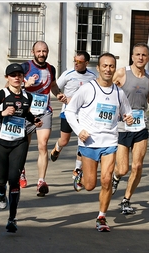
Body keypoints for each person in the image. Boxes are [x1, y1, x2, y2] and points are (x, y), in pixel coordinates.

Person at [65, 53, 134, 232]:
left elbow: (128, 112)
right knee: (89, 186)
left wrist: (128, 118)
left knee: (106, 180)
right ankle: (80, 174)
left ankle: (102, 217)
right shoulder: (88, 89)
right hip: (89, 142)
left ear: (115, 68)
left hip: (110, 142)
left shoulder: (119, 93)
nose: (108, 69)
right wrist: (79, 131)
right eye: (105, 66)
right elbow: (70, 112)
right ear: (99, 68)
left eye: (111, 66)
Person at [0, 63, 43, 232]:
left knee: (14, 180)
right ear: (7, 78)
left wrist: (35, 120)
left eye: (19, 75)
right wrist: (2, 114)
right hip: (0, 143)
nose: (16, 78)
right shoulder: (0, 95)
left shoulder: (28, 97)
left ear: (23, 78)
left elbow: (26, 114)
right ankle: (1, 191)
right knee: (3, 179)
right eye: (12, 75)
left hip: (19, 143)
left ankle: (12, 218)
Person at [111, 43, 149, 214]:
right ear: (132, 56)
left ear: (148, 58)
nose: (140, 57)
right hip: (122, 126)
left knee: (137, 166)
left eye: (144, 55)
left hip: (141, 126)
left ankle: (126, 200)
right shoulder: (122, 73)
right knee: (122, 169)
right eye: (137, 54)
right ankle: (116, 177)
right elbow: (107, 94)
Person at [19, 41, 64, 196]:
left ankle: (41, 181)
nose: (42, 54)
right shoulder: (24, 68)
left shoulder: (51, 68)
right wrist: (26, 85)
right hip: (26, 113)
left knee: (43, 145)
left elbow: (52, 85)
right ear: (33, 52)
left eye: (44, 51)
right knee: (23, 146)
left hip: (44, 112)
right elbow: (9, 86)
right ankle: (21, 171)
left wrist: (58, 94)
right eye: (39, 51)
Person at [50, 51, 97, 179]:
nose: (76, 63)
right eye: (75, 60)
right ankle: (58, 147)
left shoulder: (93, 76)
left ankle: (77, 169)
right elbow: (55, 87)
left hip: (84, 115)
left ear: (86, 63)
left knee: (83, 141)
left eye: (80, 62)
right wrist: (60, 95)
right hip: (68, 113)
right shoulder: (68, 74)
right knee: (64, 140)